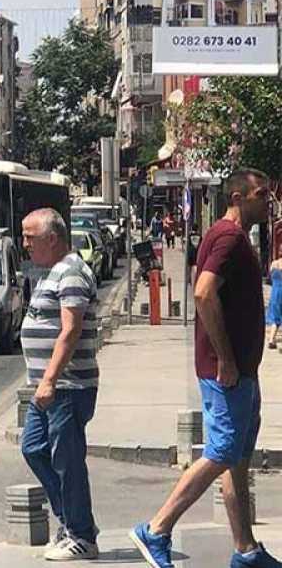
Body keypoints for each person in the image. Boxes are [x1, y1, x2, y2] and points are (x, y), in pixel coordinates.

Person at [130, 169, 281, 568]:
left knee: (236, 459)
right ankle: (157, 529)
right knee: (222, 451)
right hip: (226, 371)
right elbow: (202, 292)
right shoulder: (230, 238)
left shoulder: (228, 235)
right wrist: (227, 359)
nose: (268, 201)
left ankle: (245, 549)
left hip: (241, 370)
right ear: (238, 196)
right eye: (261, 195)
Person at [20, 208, 100, 561]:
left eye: (29, 237)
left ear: (52, 238)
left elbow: (71, 329)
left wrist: (50, 379)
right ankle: (72, 521)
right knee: (34, 448)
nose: (24, 245)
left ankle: (82, 536)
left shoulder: (71, 272)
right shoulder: (51, 272)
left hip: (67, 386)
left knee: (67, 459)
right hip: (48, 386)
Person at [266, 257, 282, 350]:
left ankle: (271, 339)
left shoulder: (273, 263)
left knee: (275, 317)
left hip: (275, 292)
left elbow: (270, 278)